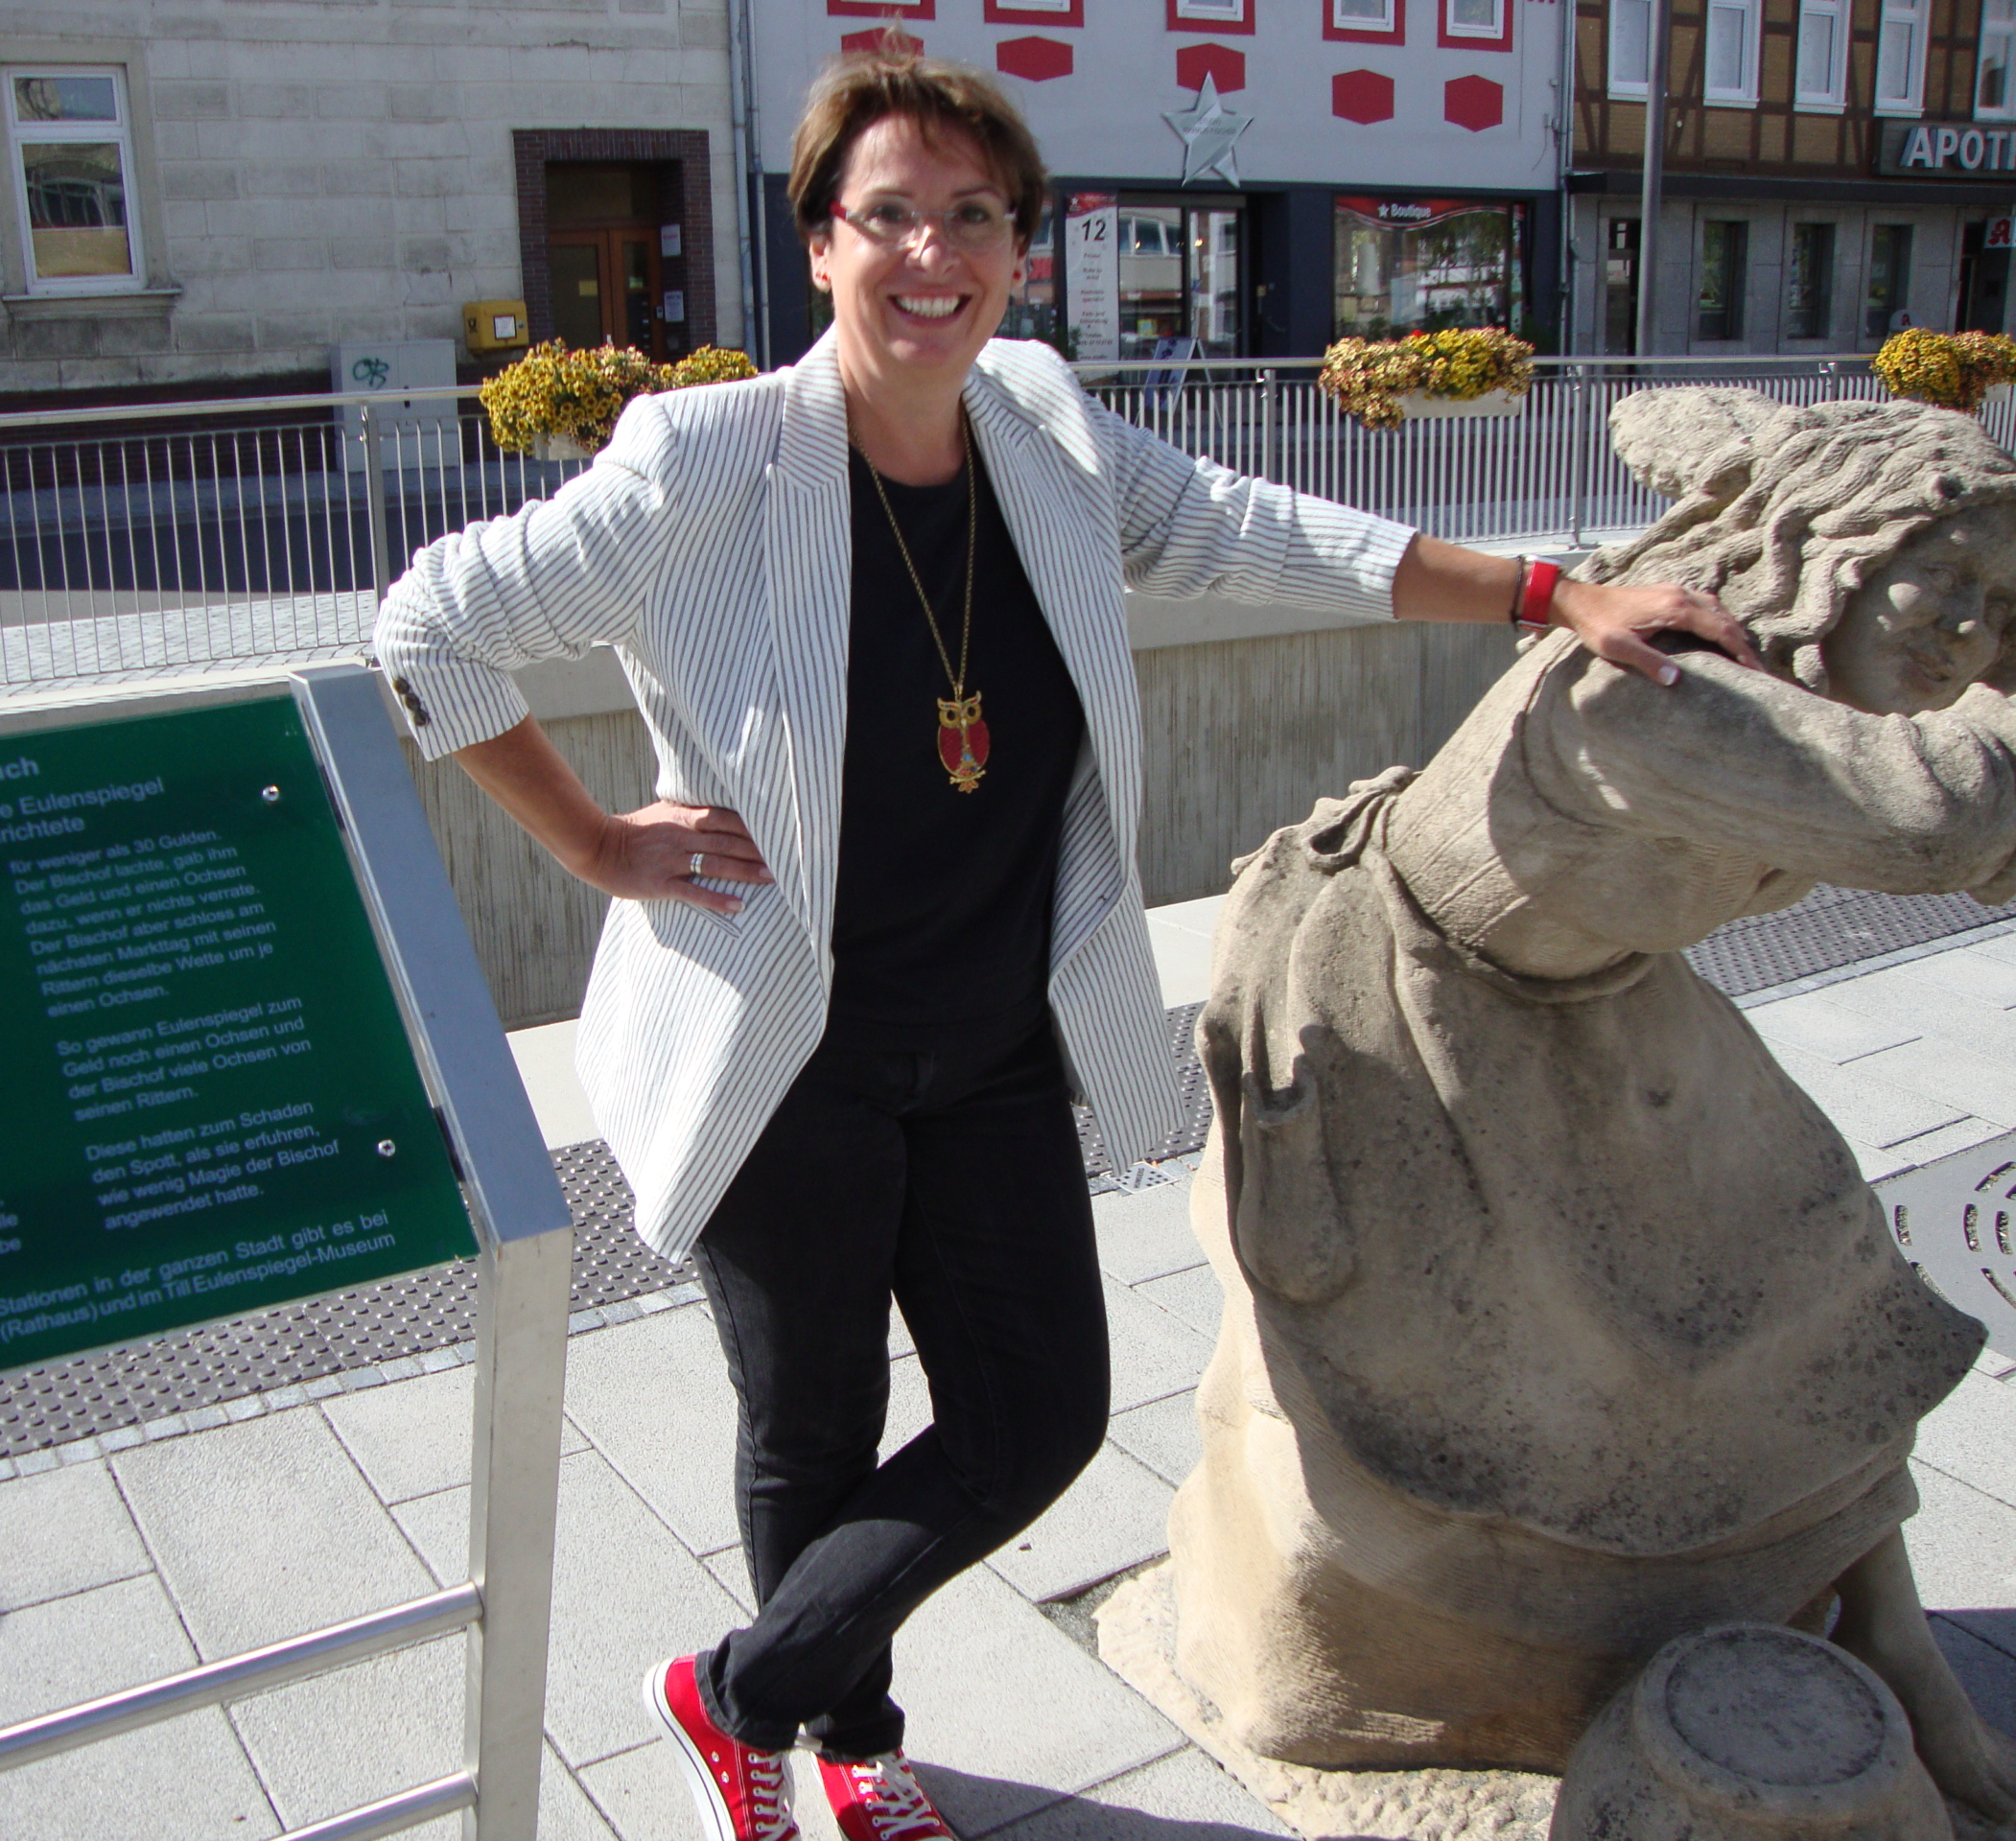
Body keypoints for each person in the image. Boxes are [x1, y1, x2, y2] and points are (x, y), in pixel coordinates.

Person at [371, 43, 1752, 1841]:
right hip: (783, 1046)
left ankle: (735, 1694)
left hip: (995, 1035)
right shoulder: (706, 461)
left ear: (1019, 246)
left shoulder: (1040, 425)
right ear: (818, 245)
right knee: (815, 1433)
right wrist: (599, 844)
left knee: (1037, 1415)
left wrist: (1548, 589)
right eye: (889, 217)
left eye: (972, 217)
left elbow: (1258, 529)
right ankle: (843, 1759)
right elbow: (430, 627)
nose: (930, 254)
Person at [1172, 386, 2016, 1820]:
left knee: (1816, 1251)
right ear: (1836, 559)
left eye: (2004, 604)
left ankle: (1876, 1618)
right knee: (1544, 1362)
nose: (1974, 635)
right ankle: (1486, 1657)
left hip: (1597, 992)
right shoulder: (1660, 696)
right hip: (1411, 1002)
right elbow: (1941, 818)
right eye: (1951, 584)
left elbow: (1666, 416)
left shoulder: (1810, 681)